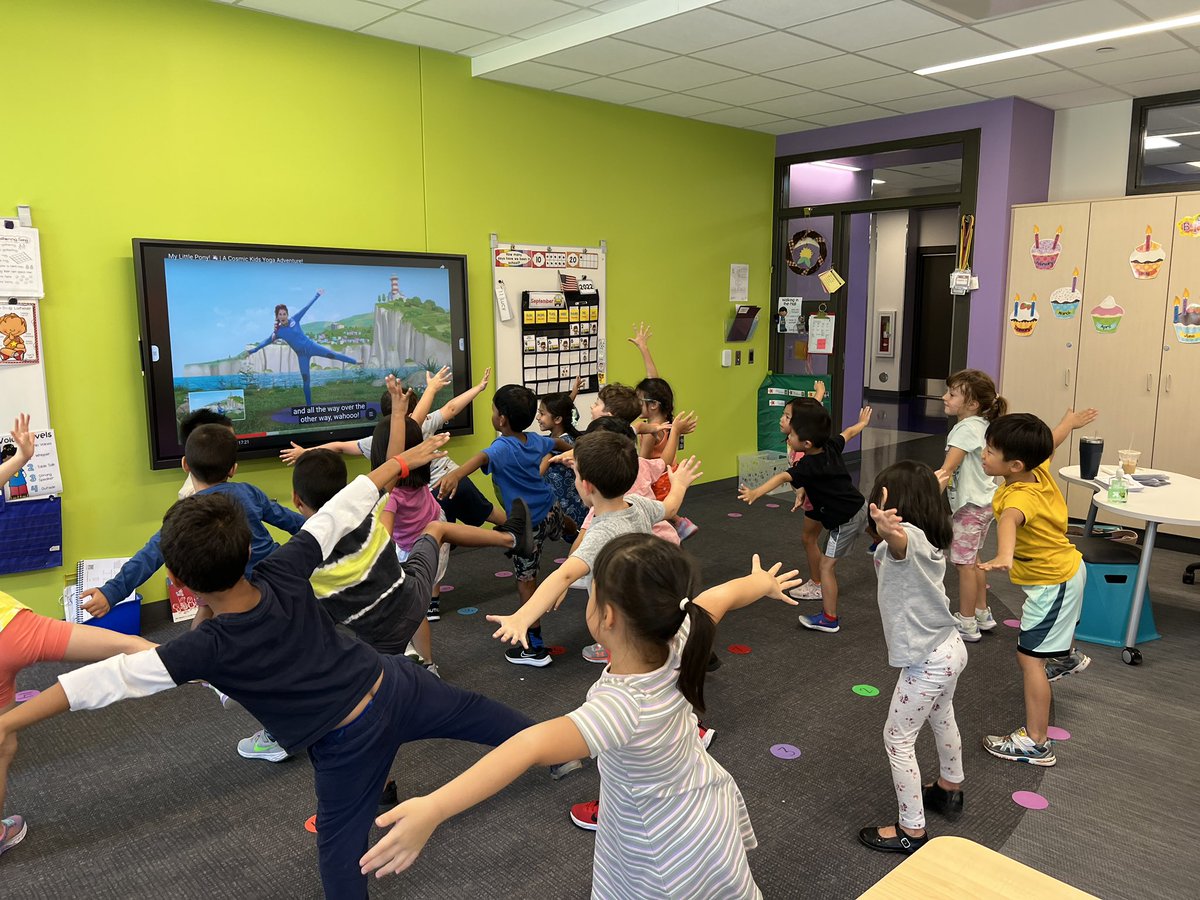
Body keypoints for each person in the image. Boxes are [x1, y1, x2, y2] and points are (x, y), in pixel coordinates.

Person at [0, 432, 574, 897]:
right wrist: (401, 461)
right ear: (249, 547)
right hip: (395, 682)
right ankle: (566, 753)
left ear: (179, 582)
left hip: (346, 742)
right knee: (488, 719)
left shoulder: (202, 649)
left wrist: (7, 722)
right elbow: (344, 508)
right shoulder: (285, 568)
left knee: (339, 859)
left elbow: (95, 685)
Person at [360, 535, 802, 899]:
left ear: (605, 616)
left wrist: (435, 807)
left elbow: (528, 746)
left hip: (659, 841)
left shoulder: (622, 707)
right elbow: (719, 597)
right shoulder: (683, 633)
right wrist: (759, 582)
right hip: (701, 805)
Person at [0, 414, 157, 859]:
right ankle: (209, 673)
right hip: (14, 630)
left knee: (3, 739)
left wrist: (22, 457)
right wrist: (23, 456)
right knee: (124, 645)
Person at [487, 430, 701, 667]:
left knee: (629, 666)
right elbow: (670, 509)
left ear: (586, 486)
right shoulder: (638, 504)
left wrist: (522, 617)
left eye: (576, 475)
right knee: (656, 658)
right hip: (647, 604)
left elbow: (564, 574)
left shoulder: (601, 532)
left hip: (622, 622)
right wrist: (679, 484)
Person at [280, 367, 507, 574]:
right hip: (440, 491)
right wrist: (468, 388)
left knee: (443, 532)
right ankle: (511, 534)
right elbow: (449, 408)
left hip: (435, 499)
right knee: (463, 521)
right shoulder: (419, 424)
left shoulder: (382, 448)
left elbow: (341, 447)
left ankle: (508, 535)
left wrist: (305, 451)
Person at [78, 424, 305, 620]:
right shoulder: (249, 492)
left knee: (204, 614)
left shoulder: (185, 515)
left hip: (219, 590)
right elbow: (293, 522)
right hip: (273, 578)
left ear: (185, 464)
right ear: (233, 469)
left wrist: (111, 592)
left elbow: (151, 554)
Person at [857, 462, 966, 856]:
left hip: (928, 660)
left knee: (897, 739)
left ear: (892, 506)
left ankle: (911, 830)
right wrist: (930, 486)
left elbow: (903, 544)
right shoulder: (933, 535)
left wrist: (890, 531)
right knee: (943, 714)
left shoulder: (906, 541)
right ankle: (949, 788)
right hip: (948, 647)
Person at [978, 408, 1097, 766]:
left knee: (1029, 659)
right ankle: (1063, 657)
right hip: (1063, 573)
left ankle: (1036, 742)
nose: (982, 455)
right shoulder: (1036, 470)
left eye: (989, 452)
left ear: (1014, 464)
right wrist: (1067, 425)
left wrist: (1004, 554)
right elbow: (1050, 444)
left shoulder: (1019, 498)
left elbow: (1011, 522)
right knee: (1038, 649)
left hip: (1054, 584)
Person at [435, 384, 571, 665]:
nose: (493, 414)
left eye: (494, 409)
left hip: (527, 527)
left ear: (502, 419)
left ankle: (533, 648)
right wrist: (576, 454)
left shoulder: (501, 447)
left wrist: (456, 475)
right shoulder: (534, 440)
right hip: (551, 509)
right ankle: (582, 542)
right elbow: (556, 443)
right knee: (566, 525)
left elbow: (480, 458)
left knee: (525, 582)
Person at [737, 398, 873, 634]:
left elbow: (781, 478)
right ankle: (880, 540)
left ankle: (829, 618)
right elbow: (849, 433)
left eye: (792, 436)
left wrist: (756, 492)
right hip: (861, 505)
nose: (788, 438)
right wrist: (861, 423)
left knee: (827, 567)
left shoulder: (808, 465)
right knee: (869, 524)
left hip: (843, 521)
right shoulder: (830, 445)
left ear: (807, 443)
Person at [935, 370, 1007, 643]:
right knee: (974, 560)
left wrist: (924, 500)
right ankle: (981, 613)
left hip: (970, 508)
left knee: (964, 564)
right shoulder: (981, 424)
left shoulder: (965, 429)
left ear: (972, 403)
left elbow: (946, 470)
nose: (945, 397)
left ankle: (966, 623)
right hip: (985, 503)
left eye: (952, 394)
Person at [629, 322, 698, 540]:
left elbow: (643, 464)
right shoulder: (665, 419)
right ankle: (677, 523)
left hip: (658, 479)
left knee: (655, 516)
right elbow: (654, 381)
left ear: (653, 405)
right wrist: (643, 348)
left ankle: (677, 525)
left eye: (639, 401)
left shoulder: (651, 432)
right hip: (670, 476)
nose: (636, 405)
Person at [244, 290, 358, 406]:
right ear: (277, 316)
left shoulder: (295, 319)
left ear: (287, 314)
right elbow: (266, 342)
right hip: (302, 356)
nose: (282, 316)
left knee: (333, 355)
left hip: (312, 346)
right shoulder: (278, 332)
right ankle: (309, 407)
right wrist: (253, 350)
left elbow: (306, 307)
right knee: (306, 380)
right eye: (280, 314)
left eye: (284, 314)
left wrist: (317, 295)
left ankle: (356, 362)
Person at [537, 381, 586, 538]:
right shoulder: (563, 434)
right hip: (569, 500)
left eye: (542, 413)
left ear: (558, 419)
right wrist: (573, 394)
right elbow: (566, 408)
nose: (538, 417)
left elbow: (537, 474)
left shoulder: (558, 444)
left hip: (569, 504)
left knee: (575, 534)